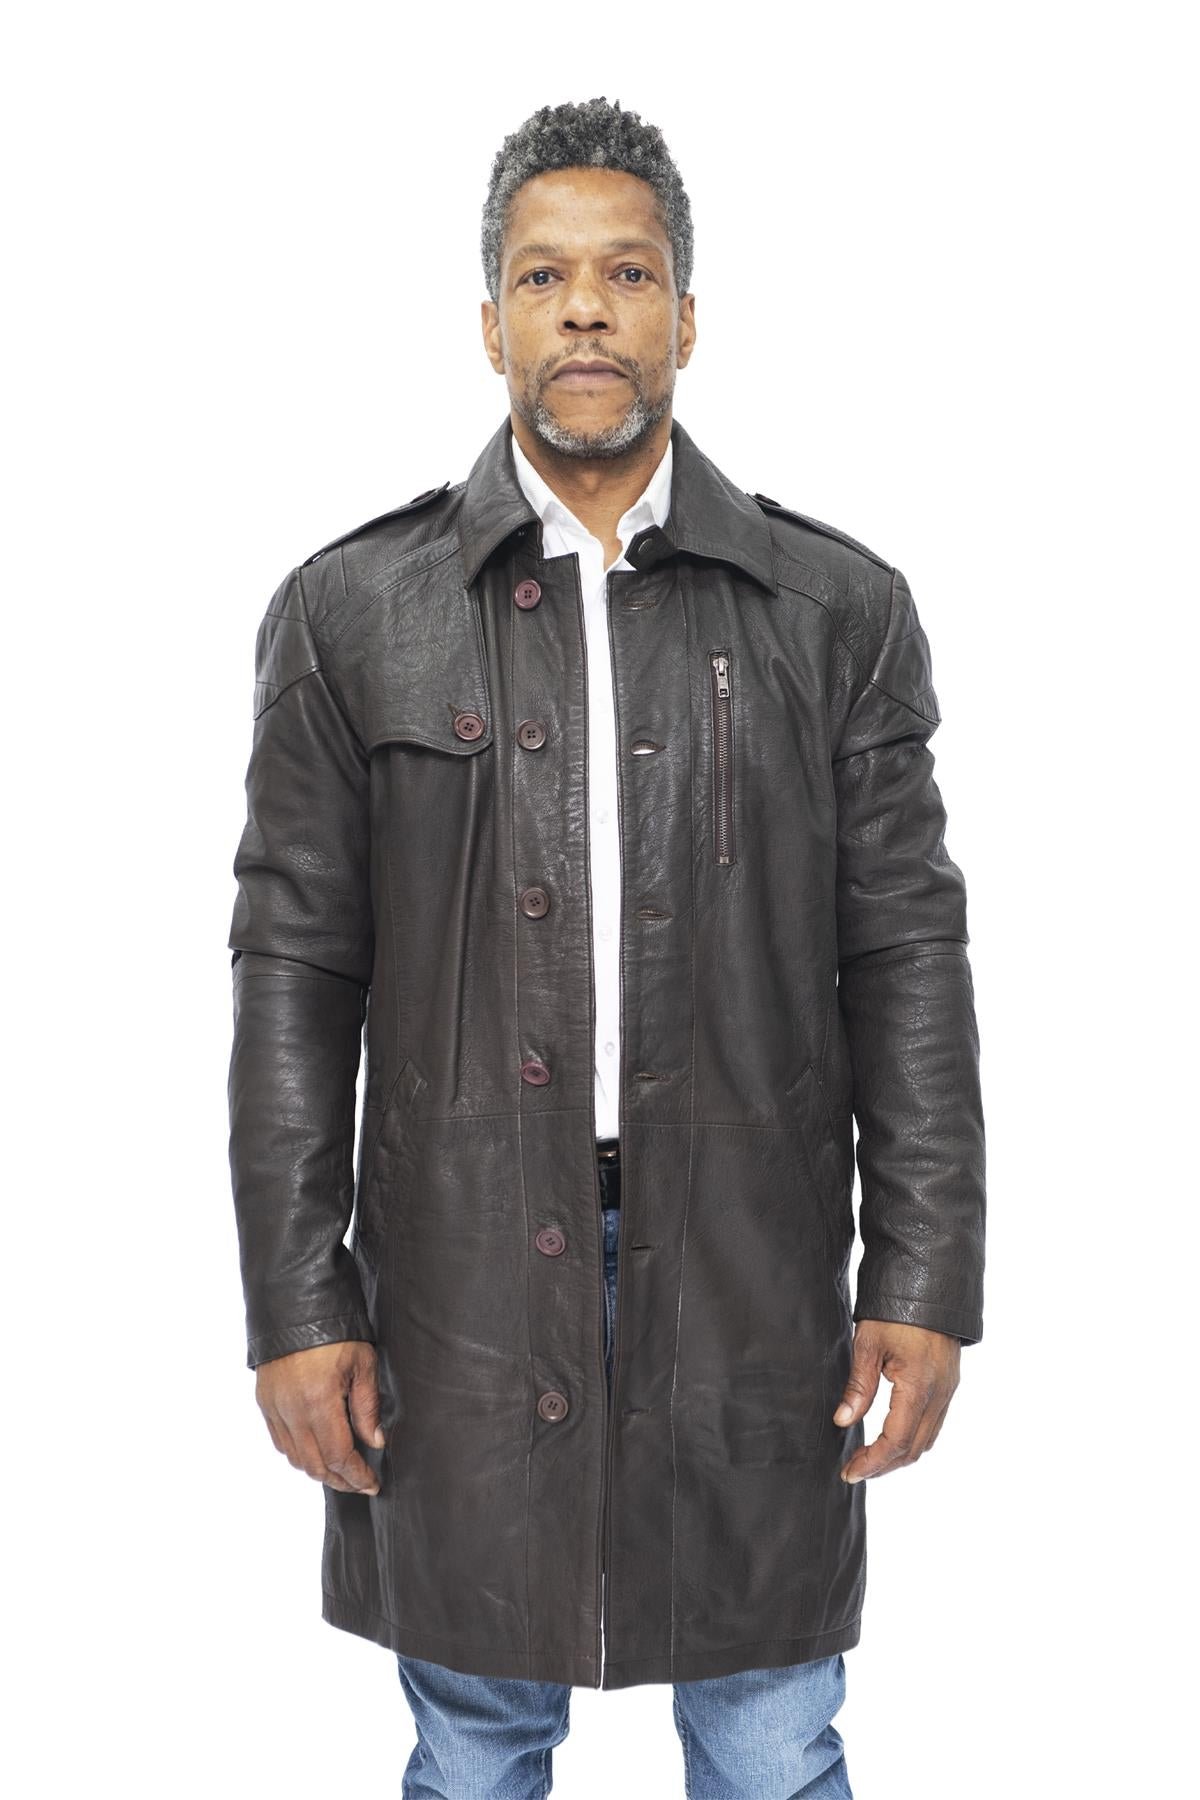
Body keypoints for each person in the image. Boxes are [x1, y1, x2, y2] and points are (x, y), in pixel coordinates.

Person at [226, 94, 986, 1800]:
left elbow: (906, 957)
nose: (585, 310)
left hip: (749, 1264)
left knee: (773, 1742)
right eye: (543, 276)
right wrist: (297, 1299)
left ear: (686, 319)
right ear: (489, 319)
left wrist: (924, 1276)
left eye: (628, 275)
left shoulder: (834, 612)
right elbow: (293, 975)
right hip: (460, 1278)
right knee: (476, 1741)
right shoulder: (351, 615)